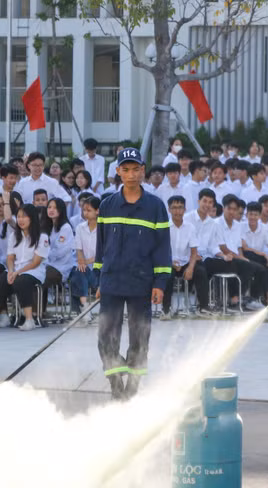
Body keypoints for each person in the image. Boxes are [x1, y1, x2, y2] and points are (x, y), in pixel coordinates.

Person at [94, 147, 171, 400]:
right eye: (125, 170)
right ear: (118, 172)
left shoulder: (156, 207)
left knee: (139, 339)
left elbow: (162, 249)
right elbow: (100, 247)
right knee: (106, 338)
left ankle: (133, 388)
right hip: (112, 282)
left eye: (135, 169)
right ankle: (116, 387)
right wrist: (98, 280)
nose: (131, 174)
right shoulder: (107, 206)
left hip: (141, 283)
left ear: (142, 171)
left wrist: (160, 283)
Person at [165, 195, 211, 318]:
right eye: (174, 208)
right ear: (169, 209)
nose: (177, 211)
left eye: (180, 207)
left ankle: (203, 308)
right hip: (169, 261)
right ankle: (166, 309)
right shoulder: (164, 227)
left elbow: (194, 251)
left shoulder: (190, 227)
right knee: (166, 274)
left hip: (186, 261)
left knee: (200, 271)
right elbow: (161, 250)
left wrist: (190, 268)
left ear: (185, 209)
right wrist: (171, 262)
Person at [69, 196, 100, 323]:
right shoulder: (80, 227)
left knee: (80, 271)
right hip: (85, 267)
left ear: (97, 211)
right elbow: (79, 248)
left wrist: (86, 262)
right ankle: (85, 306)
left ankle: (83, 308)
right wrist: (81, 262)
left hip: (99, 268)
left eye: (89, 210)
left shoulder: (104, 228)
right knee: (78, 270)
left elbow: (102, 253)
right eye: (84, 210)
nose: (85, 213)